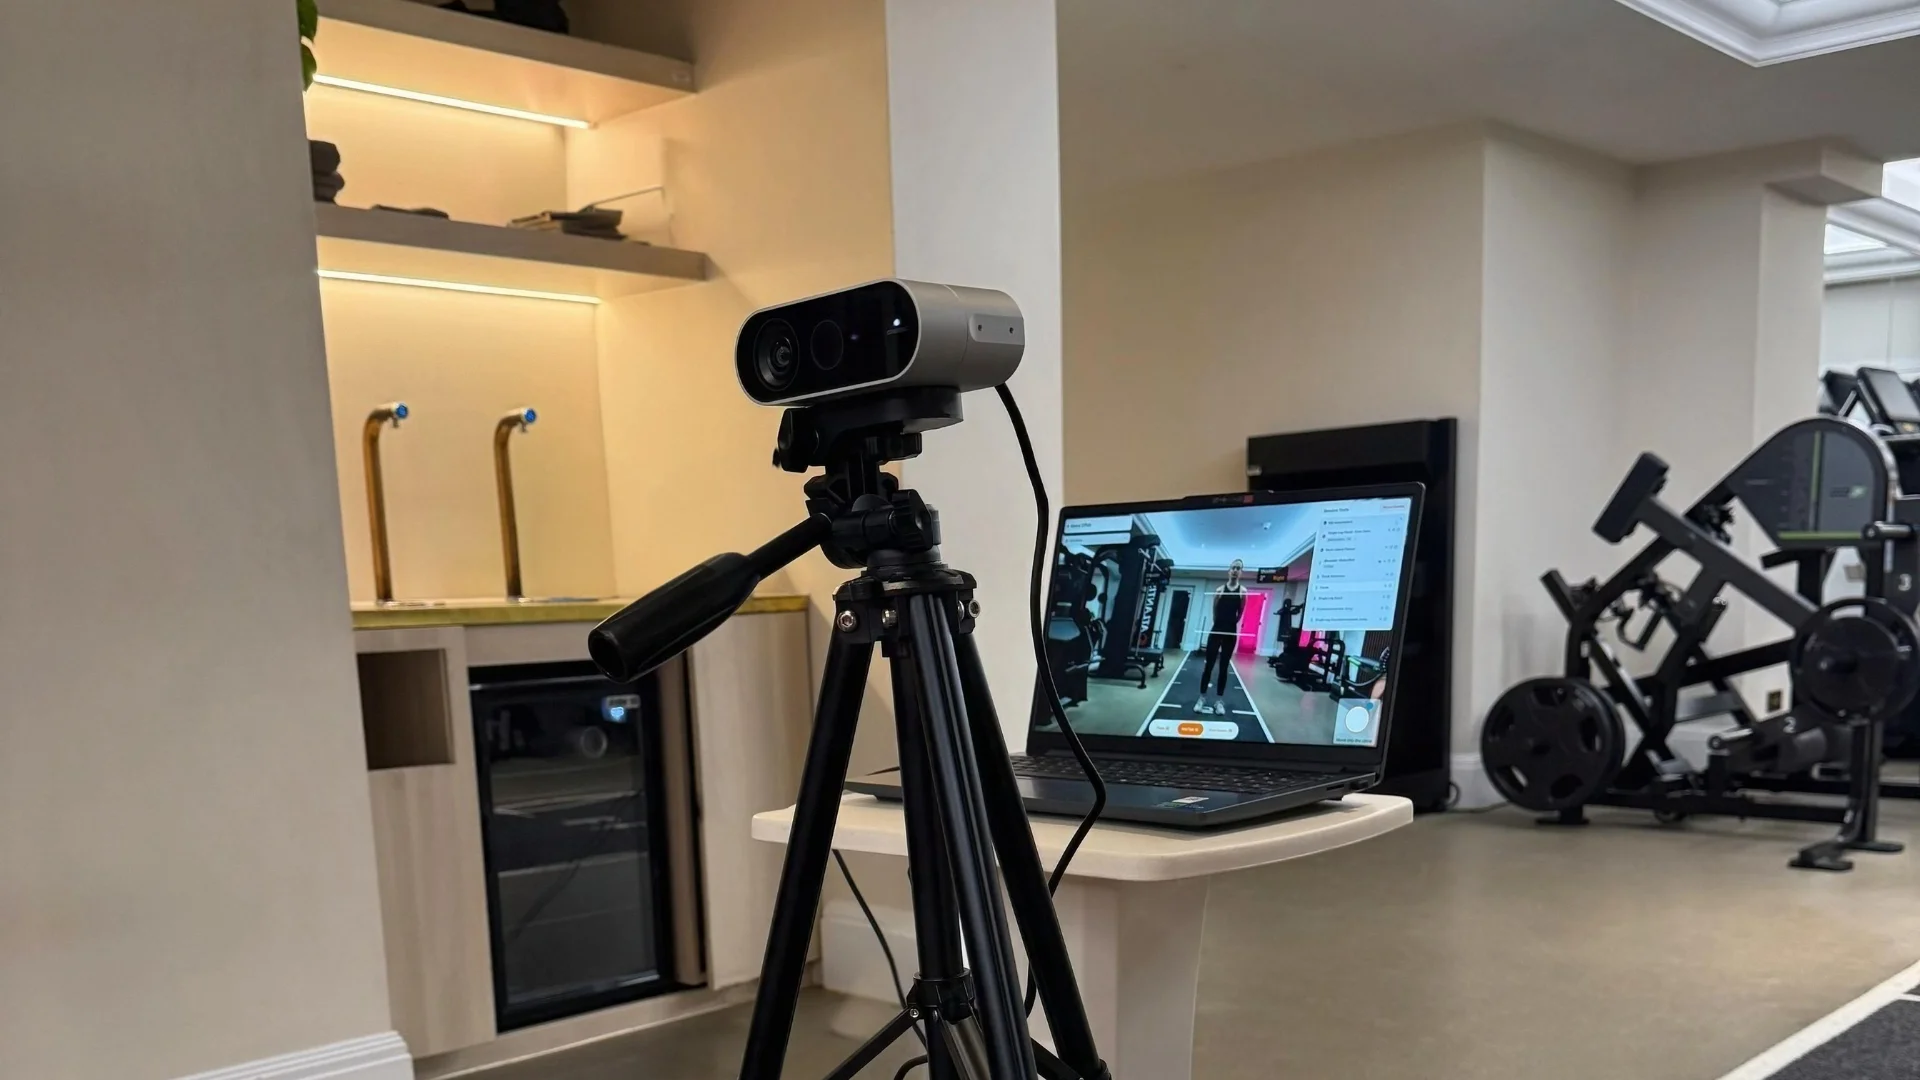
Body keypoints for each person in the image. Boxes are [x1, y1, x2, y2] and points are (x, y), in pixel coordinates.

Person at [1195, 560, 1247, 715]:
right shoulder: (1219, 590)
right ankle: (1202, 698)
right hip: (1217, 630)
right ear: (1229, 570)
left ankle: (1219, 701)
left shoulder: (1243, 592)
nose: (1235, 570)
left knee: (1224, 667)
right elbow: (1215, 612)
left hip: (1230, 633)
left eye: (1238, 568)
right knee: (1209, 666)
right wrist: (1220, 624)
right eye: (1233, 567)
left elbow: (1240, 613)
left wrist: (1230, 625)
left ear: (1241, 572)